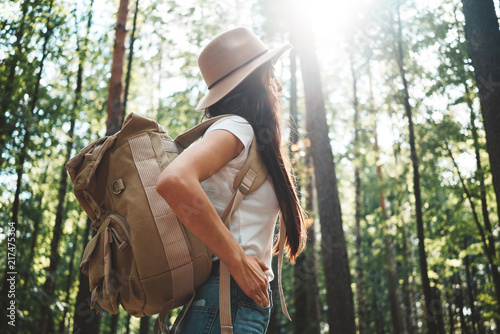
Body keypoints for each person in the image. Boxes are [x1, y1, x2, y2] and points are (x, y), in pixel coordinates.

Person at [156, 27, 306, 334]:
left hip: (225, 300)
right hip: (227, 297)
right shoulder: (238, 128)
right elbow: (173, 180)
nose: (277, 84)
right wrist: (238, 261)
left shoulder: (243, 135)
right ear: (257, 82)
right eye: (271, 73)